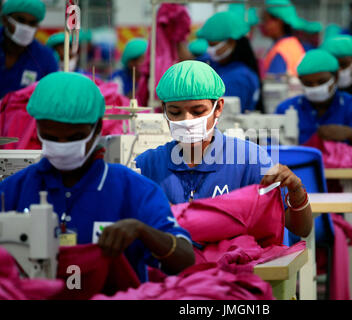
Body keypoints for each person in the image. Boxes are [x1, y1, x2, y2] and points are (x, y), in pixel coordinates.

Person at [0, 72, 195, 283]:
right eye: (51, 137)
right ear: (36, 129)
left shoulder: (134, 190)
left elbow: (185, 260)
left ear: (98, 128)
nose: (63, 145)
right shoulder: (12, 190)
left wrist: (143, 231)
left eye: (75, 137)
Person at [135, 60, 312, 238]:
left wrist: (296, 191)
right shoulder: (147, 165)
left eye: (197, 112)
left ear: (218, 107)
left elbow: (301, 229)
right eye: (175, 112)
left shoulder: (249, 160)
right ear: (163, 110)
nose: (186, 120)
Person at [275, 49, 352, 152]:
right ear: (300, 81)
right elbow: (271, 149)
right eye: (308, 84)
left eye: (322, 82)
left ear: (336, 77)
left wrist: (350, 133)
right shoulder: (285, 108)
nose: (315, 87)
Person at [197, 10, 263, 113]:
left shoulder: (238, 78)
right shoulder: (221, 65)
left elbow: (220, 114)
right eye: (209, 44)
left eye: (214, 45)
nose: (210, 50)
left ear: (231, 42)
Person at [0, 0, 58, 99]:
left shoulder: (45, 58)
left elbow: (51, 97)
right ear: (5, 20)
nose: (26, 28)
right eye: (21, 20)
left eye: (32, 23)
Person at [260, 0, 305, 77]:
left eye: (266, 20)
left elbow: (275, 86)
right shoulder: (292, 44)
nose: (264, 25)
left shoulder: (281, 51)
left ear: (279, 21)